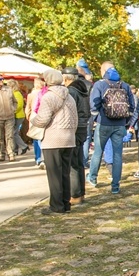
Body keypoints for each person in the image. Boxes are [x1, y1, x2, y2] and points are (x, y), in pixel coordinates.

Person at [29, 69, 78, 215]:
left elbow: (43, 119)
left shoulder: (48, 97)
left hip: (53, 138)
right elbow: (75, 119)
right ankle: (65, 203)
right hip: (69, 138)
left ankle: (56, 206)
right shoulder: (70, 97)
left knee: (54, 174)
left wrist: (33, 120)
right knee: (65, 173)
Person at [87, 61, 135, 194]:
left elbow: (93, 103)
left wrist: (96, 118)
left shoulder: (100, 84)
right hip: (120, 125)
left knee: (98, 151)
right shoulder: (125, 86)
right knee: (118, 154)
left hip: (104, 123)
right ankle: (115, 185)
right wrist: (126, 121)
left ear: (103, 72)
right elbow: (132, 105)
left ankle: (92, 178)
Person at [62, 67, 91, 204]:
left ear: (67, 78)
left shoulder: (71, 91)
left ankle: (75, 194)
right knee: (78, 162)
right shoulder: (83, 89)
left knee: (73, 164)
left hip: (75, 127)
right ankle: (80, 193)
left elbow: (69, 112)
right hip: (83, 126)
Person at [25, 78, 47, 169]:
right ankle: (43, 158)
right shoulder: (47, 92)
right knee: (43, 138)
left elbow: (29, 108)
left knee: (36, 138)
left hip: (34, 117)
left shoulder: (31, 95)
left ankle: (38, 158)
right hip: (44, 116)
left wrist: (28, 117)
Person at [9, 80, 29, 155]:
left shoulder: (16, 94)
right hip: (17, 115)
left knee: (13, 133)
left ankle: (23, 146)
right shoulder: (14, 93)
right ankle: (15, 149)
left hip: (18, 116)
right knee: (15, 133)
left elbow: (19, 105)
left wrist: (12, 111)